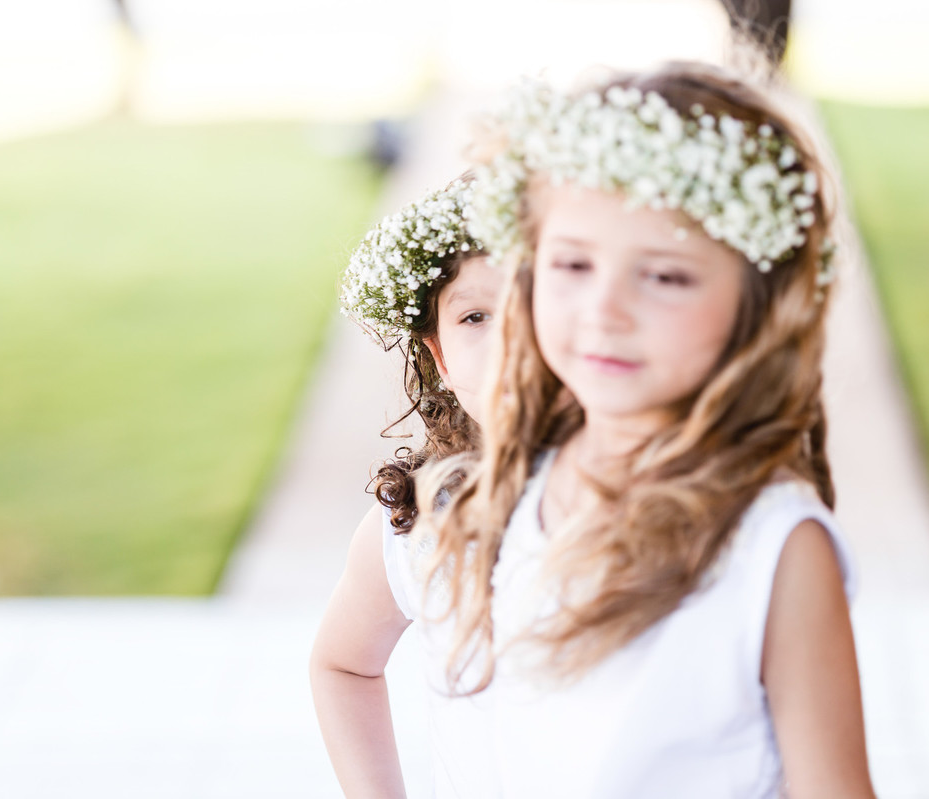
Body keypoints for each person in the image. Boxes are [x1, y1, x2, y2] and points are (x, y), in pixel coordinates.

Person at [410, 63, 876, 797]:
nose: (604, 309)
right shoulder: (519, 490)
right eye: (572, 264)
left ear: (758, 301)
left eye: (663, 275)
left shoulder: (770, 548)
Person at [311, 177, 504, 798]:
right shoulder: (416, 527)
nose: (509, 342)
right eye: (476, 317)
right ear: (439, 356)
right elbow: (341, 664)